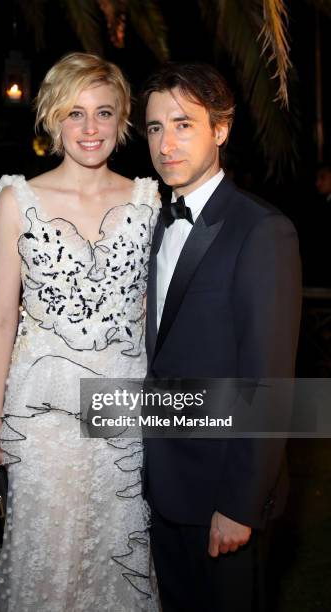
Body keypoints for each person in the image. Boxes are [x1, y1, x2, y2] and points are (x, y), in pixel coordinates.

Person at [0, 53, 160, 611]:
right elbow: (0, 321)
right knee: (48, 560)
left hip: (123, 410)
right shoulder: (16, 201)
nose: (90, 128)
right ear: (52, 118)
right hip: (41, 419)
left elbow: (150, 316)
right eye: (75, 113)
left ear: (122, 119)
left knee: (119, 556)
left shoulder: (148, 201)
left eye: (103, 112)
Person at [140, 62, 302, 611]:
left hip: (223, 495)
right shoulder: (153, 223)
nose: (166, 143)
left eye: (184, 124)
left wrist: (239, 504)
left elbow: (269, 379)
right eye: (156, 127)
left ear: (222, 130)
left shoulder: (262, 230)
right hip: (163, 488)